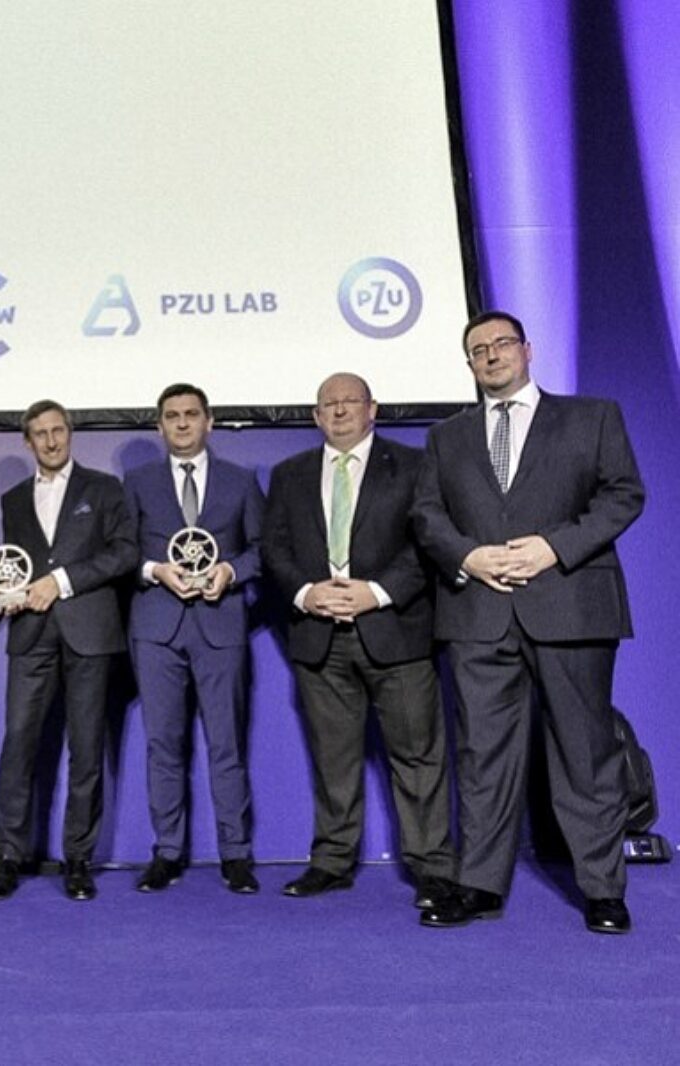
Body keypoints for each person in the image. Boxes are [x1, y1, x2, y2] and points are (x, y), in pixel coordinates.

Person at [411, 311, 644, 934]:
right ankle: (480, 886)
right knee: (482, 757)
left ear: (528, 350)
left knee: (585, 752)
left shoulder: (593, 416)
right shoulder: (446, 437)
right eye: (478, 349)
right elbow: (428, 515)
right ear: (468, 364)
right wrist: (468, 557)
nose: (491, 355)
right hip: (478, 614)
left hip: (571, 606)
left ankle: (603, 890)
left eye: (502, 343)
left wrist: (553, 548)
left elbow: (624, 494)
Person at [262, 373, 456, 907]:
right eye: (329, 403)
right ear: (315, 416)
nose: (340, 410)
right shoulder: (289, 474)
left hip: (397, 635)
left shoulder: (414, 466)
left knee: (418, 758)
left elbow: (428, 545)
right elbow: (273, 547)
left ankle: (433, 868)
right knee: (333, 761)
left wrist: (377, 592)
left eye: (351, 401)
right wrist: (306, 593)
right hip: (319, 638)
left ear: (373, 409)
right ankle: (331, 862)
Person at [0, 400, 136, 902]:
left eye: (57, 431)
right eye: (40, 434)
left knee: (86, 750)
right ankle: (8, 857)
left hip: (90, 633)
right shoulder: (13, 499)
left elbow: (124, 552)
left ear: (69, 433)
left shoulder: (104, 488)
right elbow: (15, 568)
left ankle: (78, 860)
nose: (50, 441)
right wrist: (7, 593)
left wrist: (61, 581)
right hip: (30, 635)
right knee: (17, 747)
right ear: (27, 442)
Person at [125, 383, 265, 895]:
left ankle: (236, 853)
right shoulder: (137, 482)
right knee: (163, 744)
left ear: (209, 421)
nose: (182, 423)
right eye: (171, 416)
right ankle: (167, 851)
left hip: (220, 625)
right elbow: (121, 551)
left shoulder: (240, 481)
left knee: (227, 744)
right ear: (159, 425)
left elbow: (263, 549)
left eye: (190, 414)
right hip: (157, 628)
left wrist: (231, 570)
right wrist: (154, 570)